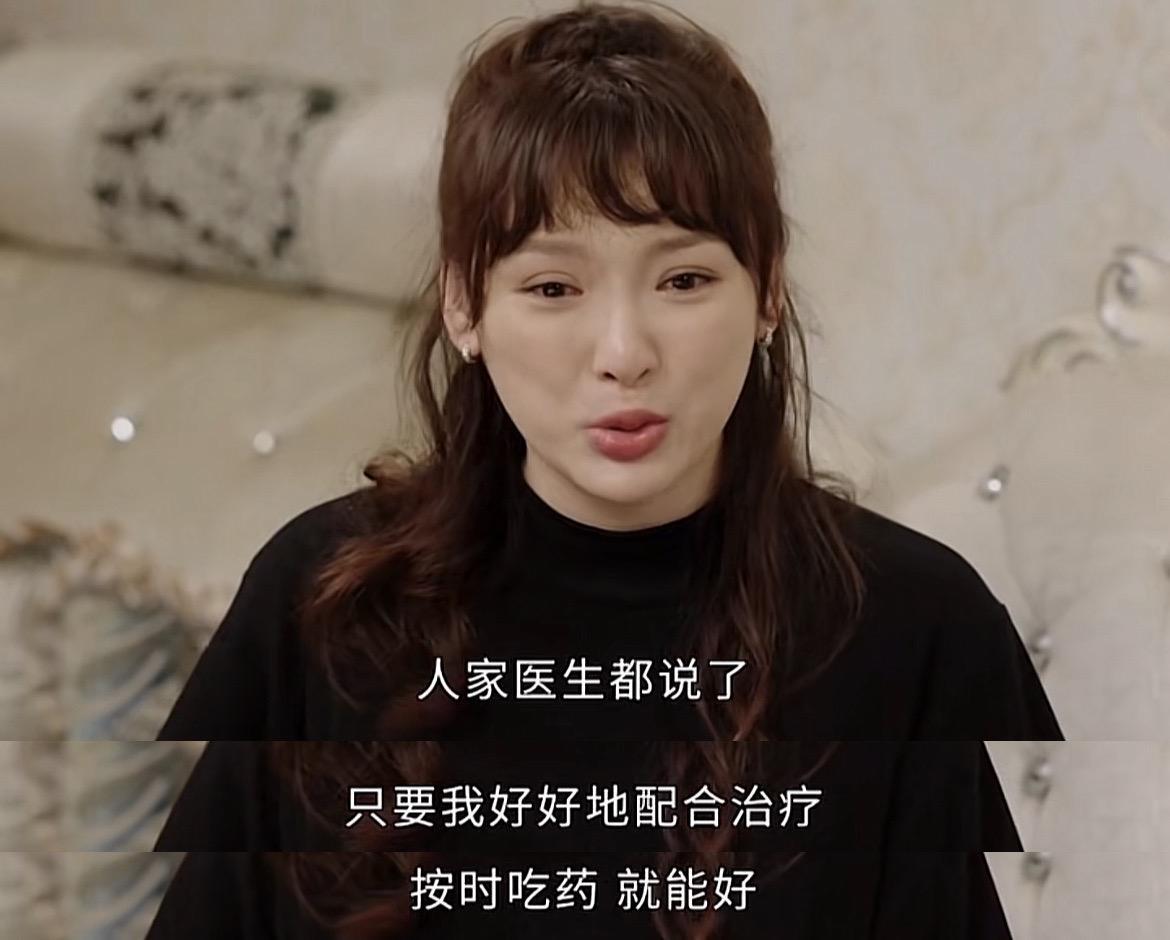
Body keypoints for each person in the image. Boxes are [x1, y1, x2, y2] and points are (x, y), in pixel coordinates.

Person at [145, 2, 1063, 938]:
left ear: (767, 291)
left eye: (683, 281)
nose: (623, 354)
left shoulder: (908, 623)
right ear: (464, 305)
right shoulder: (323, 597)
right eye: (553, 287)